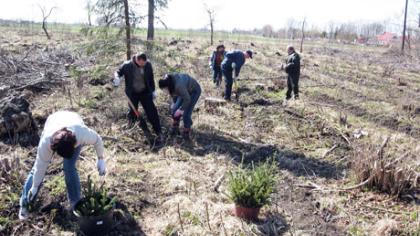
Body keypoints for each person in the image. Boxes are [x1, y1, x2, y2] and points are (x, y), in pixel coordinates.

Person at [19, 111, 106, 220]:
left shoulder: (81, 133)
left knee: (69, 167)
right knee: (36, 170)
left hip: (73, 119)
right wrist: (35, 186)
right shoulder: (46, 143)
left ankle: (76, 204)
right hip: (53, 121)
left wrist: (101, 158)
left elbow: (97, 140)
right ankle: (25, 205)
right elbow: (40, 167)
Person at [113, 53, 163, 142]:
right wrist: (117, 78)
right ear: (136, 60)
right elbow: (118, 72)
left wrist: (153, 90)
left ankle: (158, 131)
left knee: (152, 111)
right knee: (133, 111)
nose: (143, 65)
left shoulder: (148, 64)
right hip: (132, 93)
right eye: (141, 64)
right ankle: (131, 130)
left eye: (144, 63)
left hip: (145, 92)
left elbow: (151, 77)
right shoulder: (127, 65)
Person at [158, 73, 201, 140]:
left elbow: (187, 99)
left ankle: (186, 133)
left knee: (186, 114)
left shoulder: (178, 86)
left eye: (165, 89)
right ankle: (175, 128)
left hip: (193, 91)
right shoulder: (169, 82)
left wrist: (181, 109)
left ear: (167, 86)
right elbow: (173, 94)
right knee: (174, 109)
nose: (165, 91)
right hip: (184, 91)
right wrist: (174, 104)